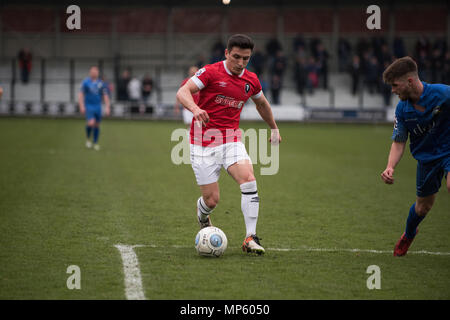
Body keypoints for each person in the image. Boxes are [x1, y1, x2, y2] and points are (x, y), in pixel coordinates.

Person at [176, 34, 282, 255]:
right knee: (211, 200)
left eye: (246, 58)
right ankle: (202, 212)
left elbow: (261, 103)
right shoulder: (210, 72)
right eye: (236, 57)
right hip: (202, 143)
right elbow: (182, 92)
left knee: (249, 179)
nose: (241, 63)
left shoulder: (251, 80)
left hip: (231, 140)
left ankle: (250, 237)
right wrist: (195, 109)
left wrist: (274, 127)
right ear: (226, 53)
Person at [380, 56, 449, 257]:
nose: (393, 90)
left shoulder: (443, 94)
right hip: (427, 160)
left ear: (409, 81)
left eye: (395, 85)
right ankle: (409, 234)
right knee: (422, 207)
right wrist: (390, 166)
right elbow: (399, 141)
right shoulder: (403, 109)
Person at [78, 66, 110, 151]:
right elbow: (81, 94)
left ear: (98, 73)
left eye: (95, 72)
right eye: (92, 72)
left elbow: (105, 96)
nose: (94, 73)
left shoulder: (101, 83)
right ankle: (88, 139)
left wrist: (107, 107)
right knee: (91, 123)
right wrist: (81, 106)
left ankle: (95, 142)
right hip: (89, 106)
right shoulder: (85, 82)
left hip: (98, 106)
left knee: (97, 125)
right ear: (90, 73)